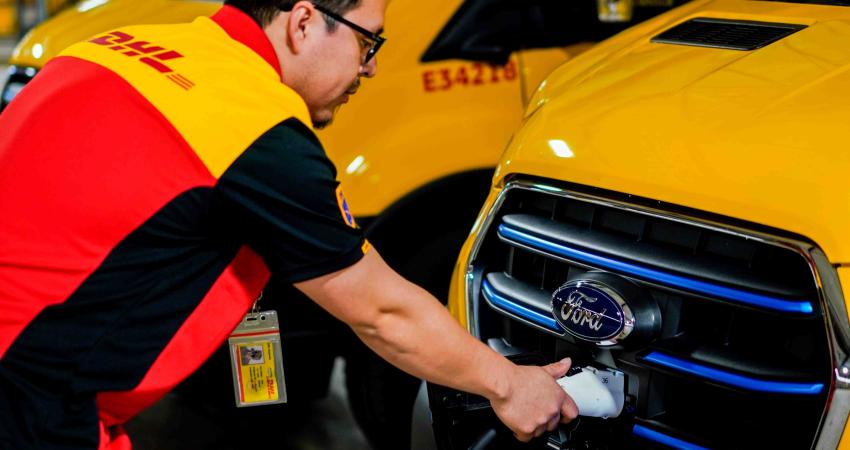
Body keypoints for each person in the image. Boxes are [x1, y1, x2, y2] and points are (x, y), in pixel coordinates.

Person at [0, 0, 578, 448]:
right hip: (30, 396)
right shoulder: (255, 130)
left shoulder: (115, 47)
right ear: (304, 22)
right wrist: (510, 386)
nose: (371, 67)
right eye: (367, 40)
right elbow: (382, 312)